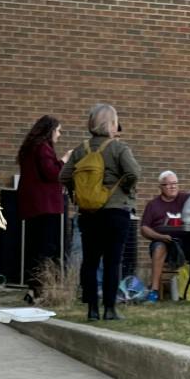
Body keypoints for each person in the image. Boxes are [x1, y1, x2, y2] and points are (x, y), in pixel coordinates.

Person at [63, 103, 141, 320]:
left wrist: (77, 194)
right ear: (112, 123)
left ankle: (91, 309)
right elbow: (134, 171)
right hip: (116, 211)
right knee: (113, 261)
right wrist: (124, 187)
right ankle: (109, 309)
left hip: (88, 213)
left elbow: (64, 176)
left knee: (90, 261)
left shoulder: (81, 150)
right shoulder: (119, 148)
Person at [15, 114, 67, 293]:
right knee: (46, 248)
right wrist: (64, 161)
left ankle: (33, 286)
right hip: (46, 206)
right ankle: (41, 288)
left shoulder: (30, 148)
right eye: (58, 131)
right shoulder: (43, 148)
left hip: (31, 206)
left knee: (34, 248)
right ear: (50, 130)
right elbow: (51, 173)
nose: (59, 135)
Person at [140, 170, 190, 299]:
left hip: (185, 242)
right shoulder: (153, 205)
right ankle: (154, 291)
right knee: (159, 247)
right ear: (161, 187)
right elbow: (144, 228)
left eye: (175, 183)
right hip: (163, 242)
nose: (173, 186)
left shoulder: (187, 199)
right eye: (168, 184)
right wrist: (161, 237)